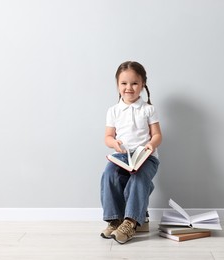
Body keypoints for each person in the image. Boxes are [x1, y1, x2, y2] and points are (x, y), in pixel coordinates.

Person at [100, 61, 162, 244]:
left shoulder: (148, 109)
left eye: (134, 83)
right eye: (124, 83)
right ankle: (115, 219)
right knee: (109, 174)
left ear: (143, 84)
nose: (129, 88)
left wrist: (151, 144)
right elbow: (108, 137)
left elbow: (157, 135)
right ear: (118, 85)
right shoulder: (113, 111)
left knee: (139, 178)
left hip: (146, 158)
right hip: (122, 157)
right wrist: (115, 143)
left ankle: (131, 222)